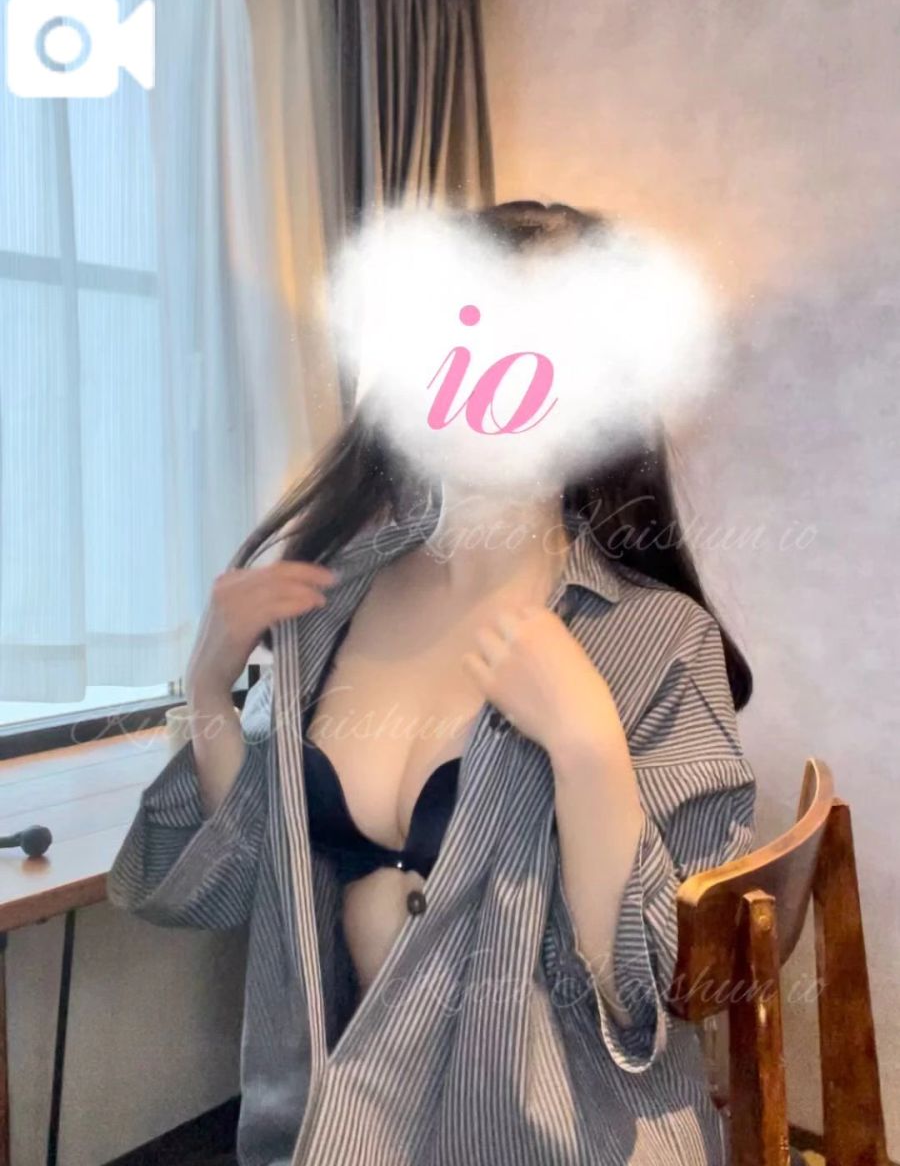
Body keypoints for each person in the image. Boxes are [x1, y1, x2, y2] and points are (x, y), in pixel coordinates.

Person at [108, 201, 757, 1166]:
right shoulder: (325, 601)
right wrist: (209, 691)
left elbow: (664, 994)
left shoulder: (658, 640)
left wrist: (588, 751)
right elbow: (237, 886)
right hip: (327, 1134)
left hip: (558, 1142)